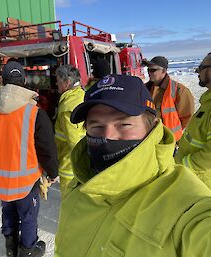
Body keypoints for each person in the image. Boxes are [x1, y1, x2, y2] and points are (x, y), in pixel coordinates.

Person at [54, 74, 211, 257]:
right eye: (96, 126)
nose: (108, 136)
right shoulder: (81, 185)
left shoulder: (187, 208)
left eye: (124, 124)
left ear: (152, 127)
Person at [0, 61, 58, 257]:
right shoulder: (35, 113)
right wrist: (52, 172)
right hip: (26, 182)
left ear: (3, 81)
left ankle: (10, 247)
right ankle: (28, 250)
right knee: (28, 216)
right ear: (23, 82)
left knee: (8, 211)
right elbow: (47, 150)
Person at [175, 53, 211, 188]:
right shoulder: (207, 102)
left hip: (201, 185)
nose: (197, 71)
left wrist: (182, 166)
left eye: (202, 67)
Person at [143, 56, 194, 142]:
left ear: (163, 71)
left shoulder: (179, 90)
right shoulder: (144, 89)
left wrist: (174, 133)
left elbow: (187, 117)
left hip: (169, 140)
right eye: (148, 70)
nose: (149, 73)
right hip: (149, 138)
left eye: (152, 70)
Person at [54, 65, 86, 197]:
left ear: (67, 82)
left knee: (68, 199)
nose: (56, 83)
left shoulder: (68, 107)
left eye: (58, 80)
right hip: (77, 162)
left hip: (69, 164)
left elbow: (74, 141)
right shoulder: (81, 94)